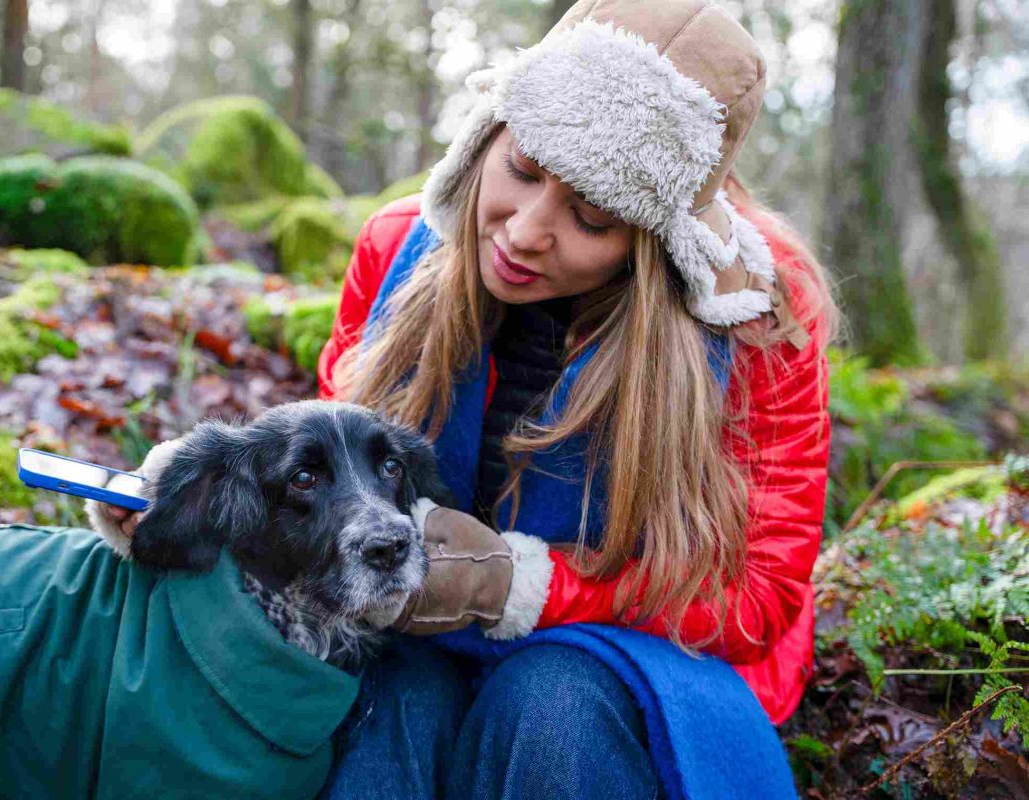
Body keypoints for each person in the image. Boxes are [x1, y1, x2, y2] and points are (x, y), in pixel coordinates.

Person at [310, 0, 838, 798]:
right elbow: (324, 461)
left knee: (549, 702)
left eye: (591, 217)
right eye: (521, 169)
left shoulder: (759, 317)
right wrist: (201, 494)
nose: (525, 231)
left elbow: (757, 597)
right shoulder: (398, 248)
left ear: (660, 242)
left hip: (630, 654)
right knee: (394, 705)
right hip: (418, 626)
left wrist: (518, 584)